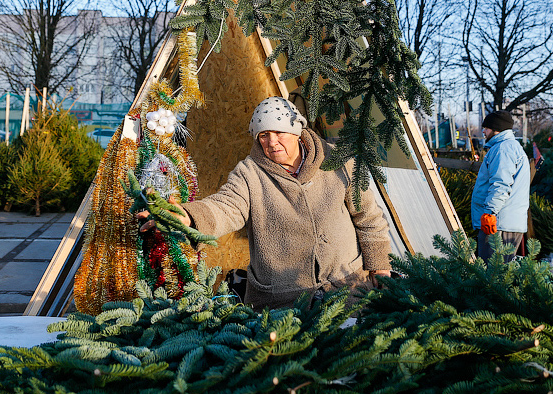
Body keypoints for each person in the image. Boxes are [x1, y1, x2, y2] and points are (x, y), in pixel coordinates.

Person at [139, 96, 392, 310]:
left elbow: (368, 218)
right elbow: (226, 207)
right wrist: (189, 216)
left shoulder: (338, 162)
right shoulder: (249, 174)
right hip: (281, 303)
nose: (272, 142)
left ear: (297, 132)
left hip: (347, 291)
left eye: (280, 132)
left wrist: (380, 267)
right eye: (264, 135)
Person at [471, 109, 530, 261]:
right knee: (499, 275)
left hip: (499, 224)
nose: (483, 131)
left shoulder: (503, 149)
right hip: (504, 222)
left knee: (492, 276)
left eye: (486, 127)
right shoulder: (508, 147)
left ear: (497, 129)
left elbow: (501, 185)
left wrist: (490, 212)